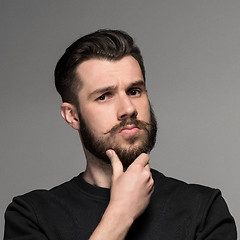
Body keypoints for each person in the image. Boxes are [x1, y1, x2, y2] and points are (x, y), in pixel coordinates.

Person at [4, 29, 237, 240]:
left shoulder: (203, 209)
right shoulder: (32, 216)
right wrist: (120, 214)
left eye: (134, 91)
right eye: (104, 96)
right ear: (72, 116)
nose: (128, 109)